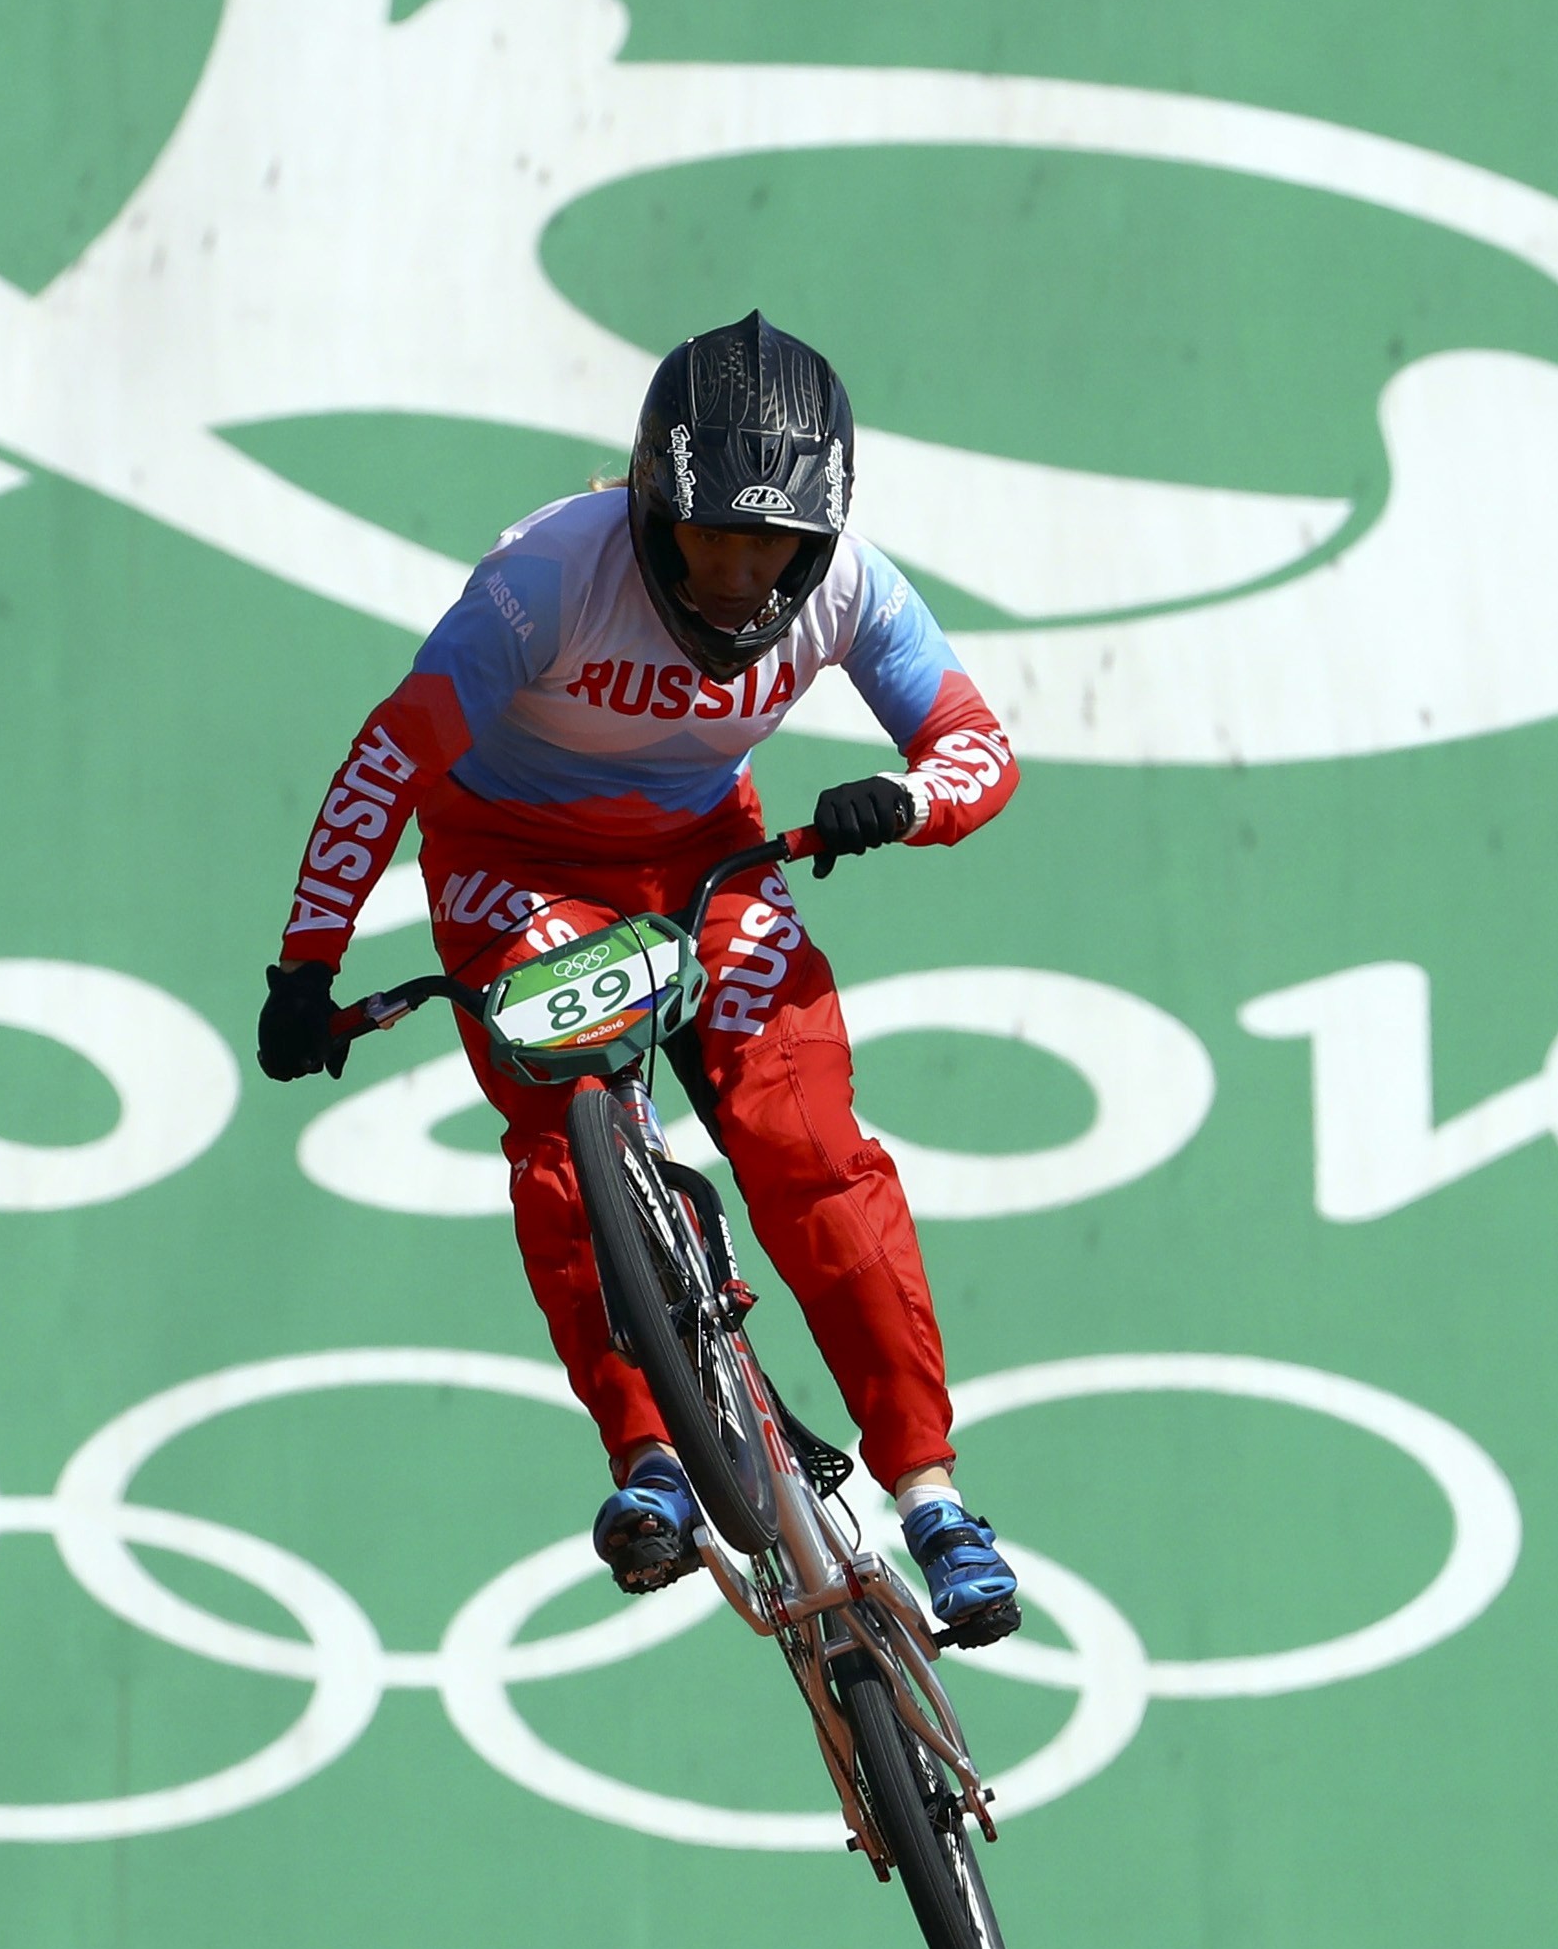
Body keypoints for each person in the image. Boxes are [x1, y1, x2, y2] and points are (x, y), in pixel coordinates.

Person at [254, 313, 1024, 1644]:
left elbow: (977, 744)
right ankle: (651, 1451)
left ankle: (932, 1494)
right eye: (707, 536)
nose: (735, 577)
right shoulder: (546, 578)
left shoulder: (854, 589)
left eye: (770, 545)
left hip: (706, 858)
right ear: (650, 504)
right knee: (565, 1137)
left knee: (808, 1147)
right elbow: (391, 758)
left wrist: (905, 802)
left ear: (823, 535)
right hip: (511, 860)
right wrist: (307, 964)